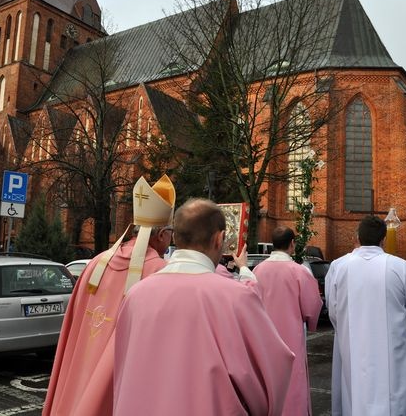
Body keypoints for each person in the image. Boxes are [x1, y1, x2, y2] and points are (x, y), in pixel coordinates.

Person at [114, 198, 295, 416]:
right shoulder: (235, 298)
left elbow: (124, 369)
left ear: (176, 237)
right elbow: (272, 369)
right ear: (219, 239)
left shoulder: (135, 294)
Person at [43, 175, 176, 416]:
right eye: (170, 234)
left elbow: (72, 330)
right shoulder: (160, 273)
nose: (170, 241)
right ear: (161, 235)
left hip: (78, 378)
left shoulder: (96, 263)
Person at [325, 215, 406, 416]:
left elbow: (333, 310)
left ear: (357, 237)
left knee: (354, 396)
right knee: (392, 397)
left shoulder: (338, 266)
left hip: (351, 347)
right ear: (383, 239)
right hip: (391, 350)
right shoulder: (401, 267)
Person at [253, 226, 323, 416]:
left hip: (264, 336)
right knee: (293, 379)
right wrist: (312, 323)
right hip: (290, 336)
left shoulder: (258, 269)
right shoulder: (299, 271)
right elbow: (312, 306)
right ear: (292, 244)